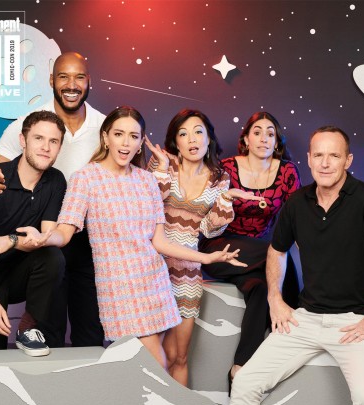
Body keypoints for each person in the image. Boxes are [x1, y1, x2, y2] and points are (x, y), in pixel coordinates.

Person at [19, 106, 246, 368]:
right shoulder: (85, 178)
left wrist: (207, 258)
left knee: (146, 366)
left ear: (140, 143)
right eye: (119, 134)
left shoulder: (147, 181)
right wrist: (44, 238)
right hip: (119, 286)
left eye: (134, 136)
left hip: (155, 281)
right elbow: (64, 232)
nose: (126, 143)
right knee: (155, 364)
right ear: (106, 137)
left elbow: (160, 242)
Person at [227, 126, 364, 405]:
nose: (325, 163)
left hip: (355, 323)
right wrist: (275, 298)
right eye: (319, 155)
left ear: (347, 160)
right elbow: (276, 250)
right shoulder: (297, 203)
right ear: (309, 159)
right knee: (244, 383)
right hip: (306, 319)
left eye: (334, 156)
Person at [0, 52, 106, 348]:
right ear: (52, 80)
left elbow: (126, 176)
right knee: (48, 334)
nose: (72, 84)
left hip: (82, 240)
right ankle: (33, 329)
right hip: (41, 240)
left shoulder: (105, 128)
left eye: (79, 77)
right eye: (63, 76)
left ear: (89, 81)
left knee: (90, 335)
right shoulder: (27, 124)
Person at [146, 109, 263, 386]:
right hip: (153, 267)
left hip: (188, 271)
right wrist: (161, 168)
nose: (192, 139)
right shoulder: (163, 164)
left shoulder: (219, 178)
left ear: (209, 138)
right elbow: (149, 206)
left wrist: (226, 199)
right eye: (183, 133)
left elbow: (210, 230)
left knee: (178, 357)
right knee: (152, 357)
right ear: (175, 141)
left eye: (198, 132)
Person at [198, 112, 301, 388]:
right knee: (276, 255)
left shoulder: (287, 172)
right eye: (257, 132)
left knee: (261, 289)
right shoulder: (227, 168)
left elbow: (298, 218)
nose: (264, 138)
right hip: (219, 246)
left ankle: (239, 370)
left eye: (270, 133)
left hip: (256, 258)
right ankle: (299, 321)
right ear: (245, 139)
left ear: (277, 142)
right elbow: (206, 215)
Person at [0, 111, 67, 356]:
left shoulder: (56, 181)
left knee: (52, 257)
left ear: (60, 147)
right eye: (38, 138)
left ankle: (29, 328)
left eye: (53, 141)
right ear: (22, 140)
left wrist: (11, 240)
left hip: (21, 274)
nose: (46, 147)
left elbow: (45, 238)